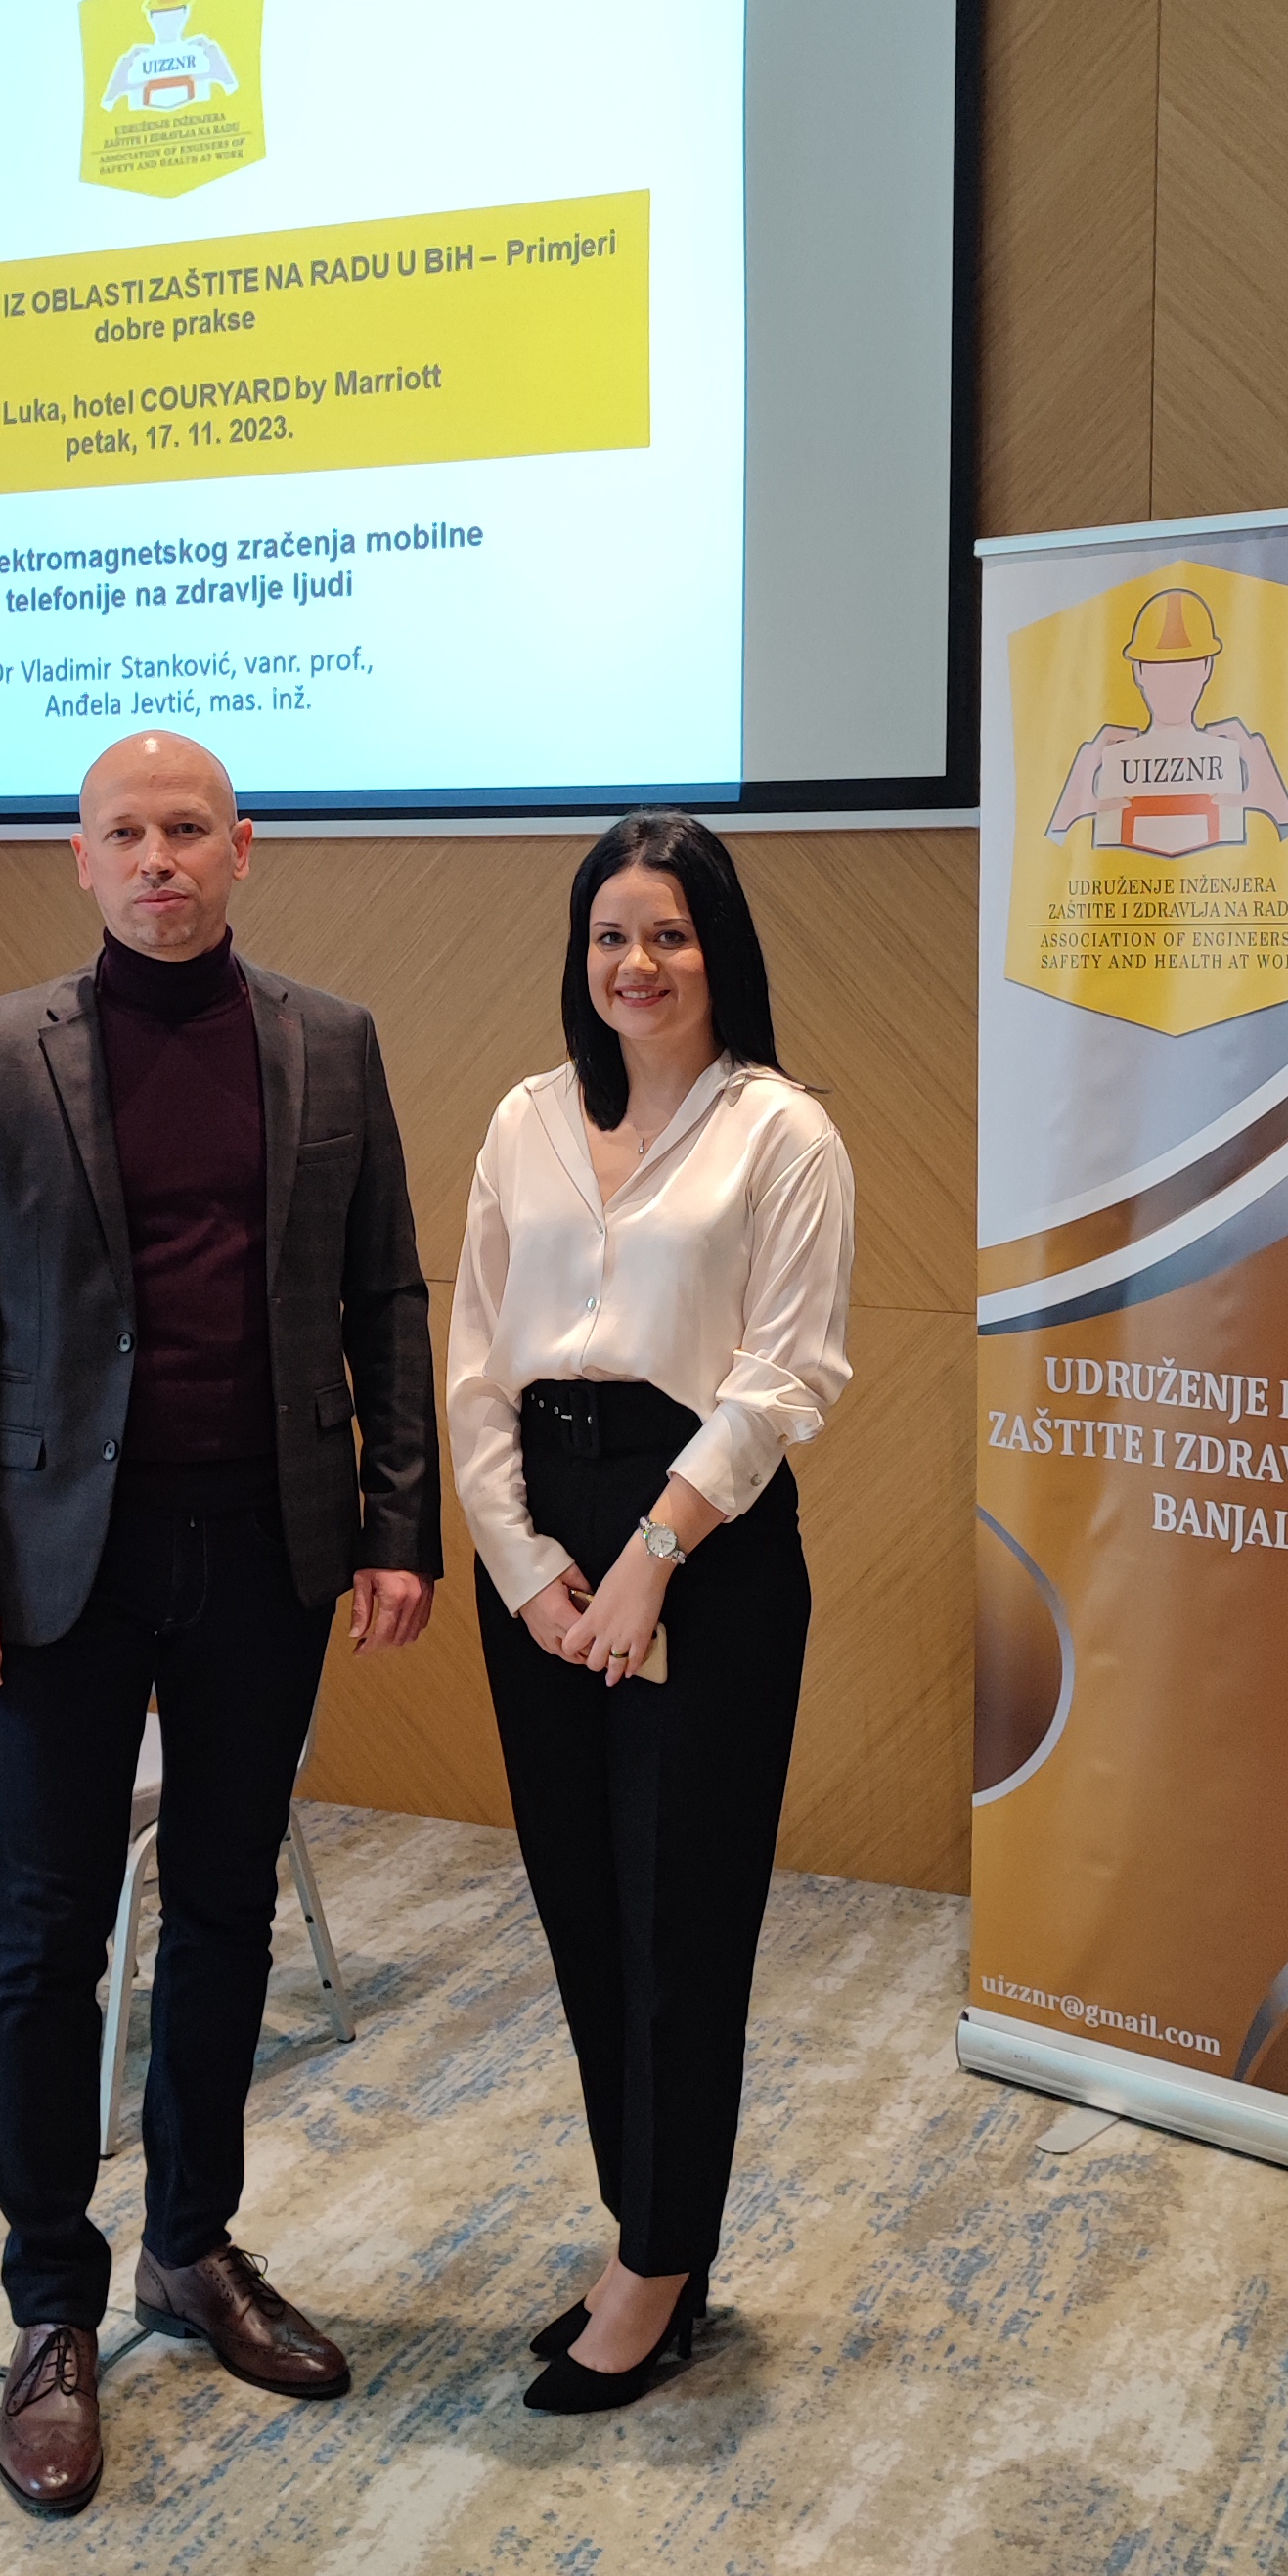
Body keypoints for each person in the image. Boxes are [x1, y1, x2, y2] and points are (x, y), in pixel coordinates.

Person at [0, 732, 440, 2517]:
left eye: (188, 828)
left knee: (221, 1912)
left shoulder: (330, 1042)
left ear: (242, 847)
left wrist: (399, 1523)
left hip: (264, 1553)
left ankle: (190, 2250)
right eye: (124, 831)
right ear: (81, 858)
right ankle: (50, 2299)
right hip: (60, 1569)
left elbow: (384, 1297)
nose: (159, 858)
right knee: (48, 1933)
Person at [447, 810, 853, 2417]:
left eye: (670, 934)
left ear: (718, 950)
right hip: (545, 1544)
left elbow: (788, 1373)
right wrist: (520, 1560)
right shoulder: (526, 1119)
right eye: (612, 934)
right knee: (582, 1909)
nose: (639, 963)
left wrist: (652, 1552)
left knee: (681, 1922)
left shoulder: (783, 1130)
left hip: (707, 1543)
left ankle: (660, 2264)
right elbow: (479, 1358)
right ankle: (650, 2233)